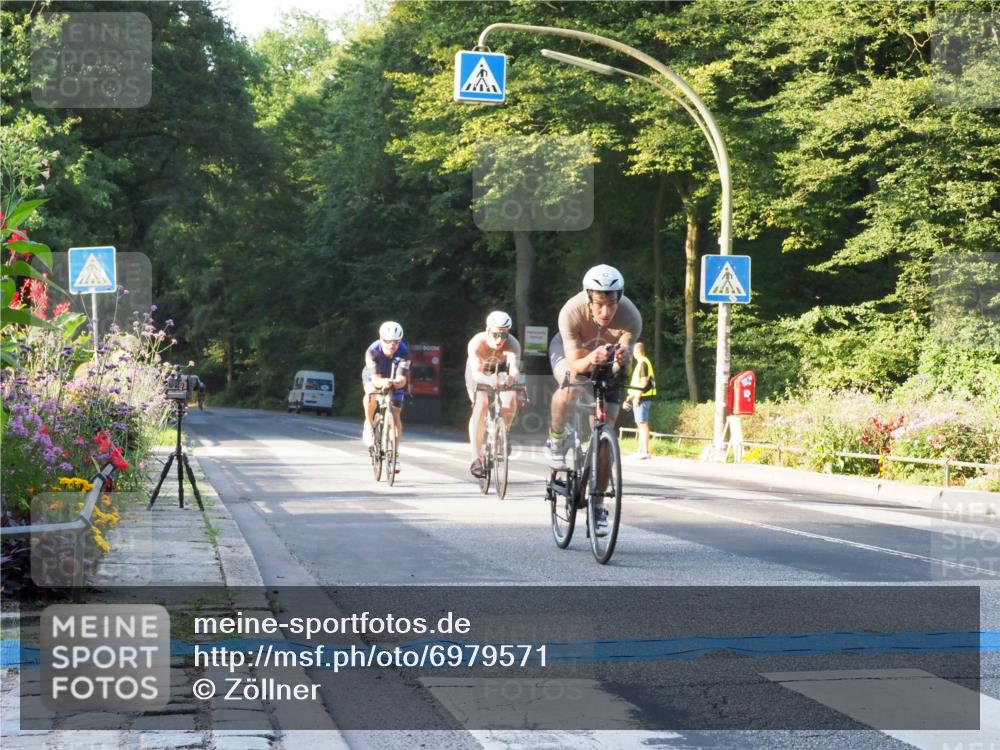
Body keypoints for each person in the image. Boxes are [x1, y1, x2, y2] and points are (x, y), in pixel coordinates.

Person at [546, 264, 643, 471]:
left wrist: (622, 361)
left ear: (620, 298)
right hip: (571, 352)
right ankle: (556, 437)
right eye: (599, 303)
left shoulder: (631, 316)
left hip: (604, 357)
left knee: (606, 425)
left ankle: (598, 497)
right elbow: (576, 364)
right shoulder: (571, 312)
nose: (606, 312)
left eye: (612, 304)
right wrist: (590, 358)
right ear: (588, 299)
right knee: (571, 383)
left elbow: (623, 372)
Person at [465, 311, 522, 479]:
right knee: (481, 405)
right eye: (496, 333)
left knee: (511, 399)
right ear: (488, 329)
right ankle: (476, 458)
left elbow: (514, 369)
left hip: (500, 370)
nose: (500, 338)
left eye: (504, 333)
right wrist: (490, 380)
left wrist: (511, 378)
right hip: (479, 373)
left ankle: (504, 431)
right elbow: (476, 374)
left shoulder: (513, 344)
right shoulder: (477, 343)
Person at [361, 321, 410, 473]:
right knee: (371, 392)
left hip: (394, 375)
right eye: (388, 341)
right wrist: (384, 382)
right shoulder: (372, 351)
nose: (391, 345)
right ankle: (369, 426)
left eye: (395, 342)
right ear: (381, 339)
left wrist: (396, 382)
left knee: (395, 414)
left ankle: (394, 455)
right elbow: (375, 379)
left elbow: (402, 379)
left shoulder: (404, 352)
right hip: (375, 374)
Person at [626, 341, 656, 459]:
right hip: (640, 396)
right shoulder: (642, 363)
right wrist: (632, 395)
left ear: (637, 351)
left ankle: (645, 452)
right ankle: (640, 451)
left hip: (643, 397)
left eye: (633, 351)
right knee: (640, 424)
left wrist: (637, 396)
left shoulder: (643, 363)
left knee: (643, 424)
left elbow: (644, 382)